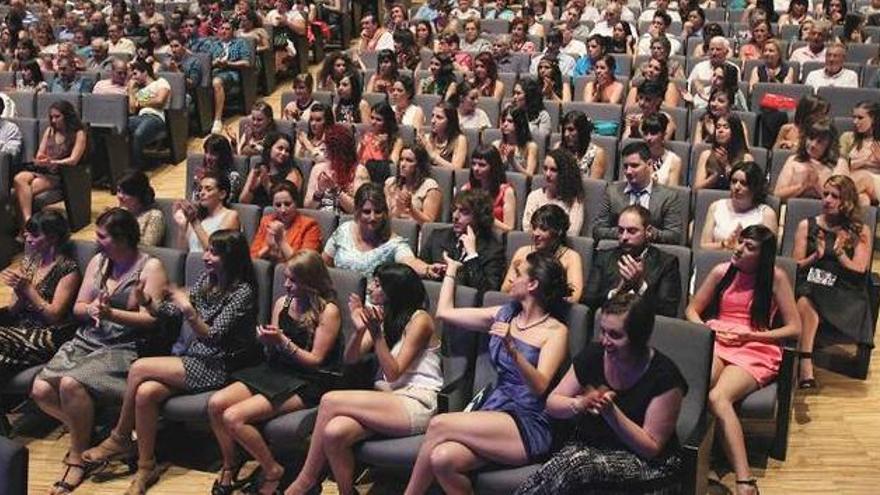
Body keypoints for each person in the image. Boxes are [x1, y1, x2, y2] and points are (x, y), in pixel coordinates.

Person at [81, 230, 257, 494]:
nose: (206, 256)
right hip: (196, 359)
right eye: (207, 250)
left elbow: (213, 336)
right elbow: (170, 313)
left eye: (215, 253)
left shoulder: (242, 291)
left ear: (232, 258)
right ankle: (145, 467)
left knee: (140, 368)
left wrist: (189, 309)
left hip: (223, 365)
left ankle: (120, 437)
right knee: (146, 392)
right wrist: (148, 302)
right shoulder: (207, 280)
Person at [402, 251, 570, 495]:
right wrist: (452, 270)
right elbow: (444, 313)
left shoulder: (555, 331)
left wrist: (513, 352)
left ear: (532, 284)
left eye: (517, 273)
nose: (510, 278)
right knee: (442, 458)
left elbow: (541, 387)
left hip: (528, 421)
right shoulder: (505, 313)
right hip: (495, 409)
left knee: (439, 424)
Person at [31, 208, 168, 495]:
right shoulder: (98, 261)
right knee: (41, 390)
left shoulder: (150, 267)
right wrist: (92, 309)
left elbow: (151, 319)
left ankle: (77, 457)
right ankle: (93, 434)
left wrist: (111, 314)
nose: (96, 240)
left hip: (125, 345)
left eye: (102, 236)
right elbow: (79, 306)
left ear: (122, 239)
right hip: (88, 338)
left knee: (70, 384)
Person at [516, 292, 688, 494]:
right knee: (558, 468)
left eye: (615, 335)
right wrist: (579, 404)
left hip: (648, 463)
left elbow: (651, 447)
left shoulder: (664, 376)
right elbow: (553, 403)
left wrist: (611, 413)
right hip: (592, 446)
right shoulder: (594, 354)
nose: (605, 341)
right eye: (603, 331)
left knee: (577, 465)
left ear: (639, 337)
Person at [284, 270, 436, 495]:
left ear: (394, 290)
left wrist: (377, 335)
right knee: (334, 432)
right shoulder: (382, 316)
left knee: (330, 400)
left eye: (378, 284)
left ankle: (306, 480)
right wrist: (361, 330)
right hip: (385, 400)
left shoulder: (420, 319)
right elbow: (350, 359)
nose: (371, 288)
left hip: (416, 401)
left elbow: (393, 373)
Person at [206, 250, 341, 494]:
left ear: (310, 282)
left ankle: (271, 469)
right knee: (216, 404)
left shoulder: (328, 311)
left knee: (233, 417)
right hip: (276, 370)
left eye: (293, 280)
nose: (287, 285)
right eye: (286, 278)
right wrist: (268, 343)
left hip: (306, 380)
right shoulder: (283, 303)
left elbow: (315, 360)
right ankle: (230, 463)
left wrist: (282, 342)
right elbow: (273, 351)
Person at [686, 225, 801, 495]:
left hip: (755, 347)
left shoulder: (776, 277)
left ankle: (744, 479)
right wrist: (706, 330)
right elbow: (692, 309)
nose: (738, 248)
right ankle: (704, 458)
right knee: (701, 385)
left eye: (749, 247)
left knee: (717, 398)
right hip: (718, 340)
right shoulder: (721, 271)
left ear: (763, 255)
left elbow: (795, 328)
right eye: (740, 242)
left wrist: (752, 335)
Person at [793, 175, 872, 389]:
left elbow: (859, 269)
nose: (827, 199)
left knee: (808, 294)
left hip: (841, 287)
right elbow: (795, 266)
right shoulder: (806, 226)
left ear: (847, 201)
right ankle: (805, 362)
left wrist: (840, 255)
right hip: (811, 278)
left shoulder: (859, 230)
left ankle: (802, 360)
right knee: (807, 292)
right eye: (825, 194)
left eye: (834, 196)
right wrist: (815, 257)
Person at [0, 211, 80, 382]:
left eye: (35, 234)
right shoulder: (29, 263)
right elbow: (13, 311)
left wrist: (28, 289)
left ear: (52, 238)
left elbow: (54, 316)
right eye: (27, 233)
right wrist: (20, 295)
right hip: (18, 329)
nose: (28, 238)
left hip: (46, 334)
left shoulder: (68, 270)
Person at [585, 205, 682, 316]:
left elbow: (668, 312)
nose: (624, 237)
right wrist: (617, 292)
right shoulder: (603, 257)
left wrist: (640, 286)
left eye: (632, 231)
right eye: (621, 231)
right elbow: (587, 302)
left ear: (648, 231)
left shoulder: (667, 263)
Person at [322, 183, 424, 278]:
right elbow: (324, 264)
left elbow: (410, 261)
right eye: (367, 212)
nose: (373, 217)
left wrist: (428, 269)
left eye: (378, 212)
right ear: (357, 212)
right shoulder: (343, 231)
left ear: (384, 213)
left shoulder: (393, 244)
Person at [12, 100, 87, 227]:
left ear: (67, 116)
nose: (53, 120)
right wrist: (41, 159)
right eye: (51, 117)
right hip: (42, 169)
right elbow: (40, 153)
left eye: (57, 117)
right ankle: (28, 222)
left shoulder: (78, 133)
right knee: (19, 179)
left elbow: (73, 160)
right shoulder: (49, 131)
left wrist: (53, 162)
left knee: (20, 192)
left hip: (60, 174)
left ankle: (25, 228)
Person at [593, 142, 684, 244]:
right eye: (626, 166)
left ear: (649, 165)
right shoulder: (612, 192)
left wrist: (648, 233)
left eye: (634, 166)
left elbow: (674, 235)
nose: (628, 171)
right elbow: (598, 230)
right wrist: (626, 232)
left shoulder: (668, 197)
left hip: (652, 254)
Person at [420, 189, 506, 294]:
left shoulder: (493, 250)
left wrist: (472, 256)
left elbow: (487, 294)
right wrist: (429, 270)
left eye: (464, 212)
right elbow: (418, 277)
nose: (455, 216)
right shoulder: (437, 237)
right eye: (454, 210)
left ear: (479, 217)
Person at [504, 204, 584, 303]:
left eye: (543, 229)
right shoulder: (522, 253)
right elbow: (505, 290)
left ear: (558, 231)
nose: (535, 233)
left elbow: (574, 297)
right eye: (534, 227)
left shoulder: (571, 257)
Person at [701, 162, 779, 250]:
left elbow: (769, 252)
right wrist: (725, 244)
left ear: (754, 187)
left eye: (743, 183)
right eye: (734, 181)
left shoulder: (767, 214)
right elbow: (704, 246)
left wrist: (741, 246)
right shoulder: (716, 207)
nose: (737, 187)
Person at [774, 118, 849, 201]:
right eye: (811, 138)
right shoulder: (793, 160)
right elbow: (777, 194)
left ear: (829, 145)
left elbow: (843, 200)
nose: (813, 144)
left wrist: (816, 184)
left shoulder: (839, 164)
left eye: (819, 142)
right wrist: (802, 186)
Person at [250, 181, 322, 263]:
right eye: (278, 205)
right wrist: (268, 248)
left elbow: (304, 264)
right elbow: (252, 257)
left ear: (296, 203)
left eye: (287, 204)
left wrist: (281, 242)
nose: (283, 210)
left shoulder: (309, 226)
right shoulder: (266, 221)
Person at [304, 124, 370, 214]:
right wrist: (319, 192)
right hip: (320, 220)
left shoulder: (359, 171)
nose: (322, 148)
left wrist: (336, 190)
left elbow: (359, 210)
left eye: (326, 144)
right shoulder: (318, 169)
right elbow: (308, 207)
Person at [523, 149, 586, 236]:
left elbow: (572, 233)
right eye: (545, 168)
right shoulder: (534, 196)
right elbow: (527, 228)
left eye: (553, 170)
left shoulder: (575, 201)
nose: (547, 174)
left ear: (564, 173)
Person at [175, 172, 242, 252]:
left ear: (222, 194)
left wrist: (195, 222)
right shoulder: (196, 217)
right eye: (200, 189)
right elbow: (181, 253)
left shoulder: (231, 216)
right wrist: (182, 226)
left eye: (208, 189)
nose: (201, 193)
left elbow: (214, 251)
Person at [209, 21, 253, 134]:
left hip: (232, 73)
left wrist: (228, 63)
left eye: (227, 29)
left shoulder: (240, 43)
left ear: (233, 31)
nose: (224, 31)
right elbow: (206, 62)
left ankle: (217, 119)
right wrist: (215, 62)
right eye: (222, 28)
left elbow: (246, 62)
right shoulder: (214, 44)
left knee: (217, 82)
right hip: (215, 70)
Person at [126, 60, 171, 170]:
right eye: (132, 75)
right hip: (140, 117)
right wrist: (131, 90)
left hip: (155, 117)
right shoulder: (138, 90)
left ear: (145, 72)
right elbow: (132, 109)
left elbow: (160, 101)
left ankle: (137, 168)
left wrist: (140, 103)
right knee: (121, 127)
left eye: (135, 73)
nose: (133, 77)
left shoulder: (160, 82)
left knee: (138, 134)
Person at [240, 132, 304, 208]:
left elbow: (284, 205)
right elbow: (243, 202)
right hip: (256, 215)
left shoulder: (293, 172)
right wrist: (251, 189)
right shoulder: (259, 168)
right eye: (280, 148)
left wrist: (267, 184)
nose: (283, 153)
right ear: (269, 148)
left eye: (287, 151)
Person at [462, 145, 516, 232]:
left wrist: (484, 217)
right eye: (473, 164)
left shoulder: (506, 192)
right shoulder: (466, 189)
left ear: (493, 167)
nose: (475, 168)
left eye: (482, 165)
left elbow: (509, 229)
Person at [384, 144, 442, 224]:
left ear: (419, 165)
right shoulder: (390, 184)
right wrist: (396, 210)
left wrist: (410, 208)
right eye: (401, 159)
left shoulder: (430, 187)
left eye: (409, 160)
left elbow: (429, 223)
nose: (403, 164)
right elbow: (385, 217)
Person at [694, 114, 754, 190]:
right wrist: (716, 176)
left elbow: (748, 189)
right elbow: (696, 189)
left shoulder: (746, 158)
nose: (720, 130)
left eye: (726, 127)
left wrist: (726, 166)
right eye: (718, 127)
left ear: (735, 131)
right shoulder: (706, 155)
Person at [842, 102, 880, 205]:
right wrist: (865, 161)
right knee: (863, 199)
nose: (855, 121)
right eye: (854, 117)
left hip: (876, 182)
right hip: (853, 179)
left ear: (873, 119)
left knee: (863, 176)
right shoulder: (848, 138)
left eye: (860, 118)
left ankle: (834, 198)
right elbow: (839, 164)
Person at [115, 170, 165, 247]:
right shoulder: (120, 212)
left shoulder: (154, 216)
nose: (120, 196)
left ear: (139, 195)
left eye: (126, 193)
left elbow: (148, 247)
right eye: (118, 191)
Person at [192, 134, 244, 203]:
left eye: (213, 154)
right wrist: (199, 185)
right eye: (206, 152)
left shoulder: (233, 177)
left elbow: (225, 203)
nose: (208, 157)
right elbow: (194, 202)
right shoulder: (202, 175)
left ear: (223, 156)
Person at [557, 111, 607, 179]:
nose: (566, 134)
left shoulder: (596, 154)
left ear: (581, 131)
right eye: (564, 130)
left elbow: (594, 186)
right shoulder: (558, 148)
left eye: (571, 130)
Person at [419, 102, 468, 170]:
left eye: (439, 117)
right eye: (432, 116)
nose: (433, 121)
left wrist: (433, 155)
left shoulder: (459, 140)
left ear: (450, 122)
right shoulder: (427, 139)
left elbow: (456, 169)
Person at [493, 106, 539, 177]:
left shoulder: (531, 147)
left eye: (510, 121)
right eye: (503, 121)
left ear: (519, 123)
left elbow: (530, 176)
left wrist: (512, 161)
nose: (505, 124)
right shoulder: (496, 145)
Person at [641, 113, 684, 186]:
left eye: (653, 133)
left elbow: (672, 194)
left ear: (663, 134)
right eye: (645, 133)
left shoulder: (674, 161)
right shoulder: (635, 157)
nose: (648, 138)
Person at [358, 101, 403, 166]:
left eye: (378, 120)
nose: (373, 122)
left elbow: (393, 165)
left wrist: (385, 148)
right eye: (372, 118)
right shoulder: (365, 136)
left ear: (387, 122)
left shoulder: (397, 141)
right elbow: (356, 161)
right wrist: (361, 147)